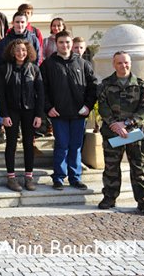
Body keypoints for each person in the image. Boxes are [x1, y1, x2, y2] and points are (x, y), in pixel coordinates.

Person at [97, 51, 144, 215]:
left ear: (130, 63)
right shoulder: (105, 85)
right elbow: (103, 107)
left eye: (126, 62)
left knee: (139, 167)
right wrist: (115, 125)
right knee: (111, 167)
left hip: (135, 133)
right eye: (120, 63)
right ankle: (109, 197)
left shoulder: (141, 85)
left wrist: (127, 123)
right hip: (113, 133)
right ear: (114, 64)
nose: (124, 65)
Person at [41, 30, 97, 191]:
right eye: (61, 42)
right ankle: (58, 177)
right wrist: (48, 107)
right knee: (62, 145)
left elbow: (93, 87)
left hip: (79, 114)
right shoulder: (48, 64)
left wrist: (88, 106)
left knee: (76, 146)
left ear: (72, 43)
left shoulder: (83, 64)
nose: (64, 45)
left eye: (67, 42)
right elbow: (42, 89)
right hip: (58, 114)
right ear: (56, 44)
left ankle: (75, 178)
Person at [0, 39, 44, 192]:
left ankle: (28, 177)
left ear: (28, 51)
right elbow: (1, 94)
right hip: (11, 111)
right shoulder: (5, 69)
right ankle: (11, 178)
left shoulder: (34, 69)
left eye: (23, 50)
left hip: (29, 111)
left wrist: (39, 115)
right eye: (17, 50)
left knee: (28, 144)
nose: (21, 53)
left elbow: (41, 94)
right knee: (11, 144)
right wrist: (4, 114)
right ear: (12, 52)